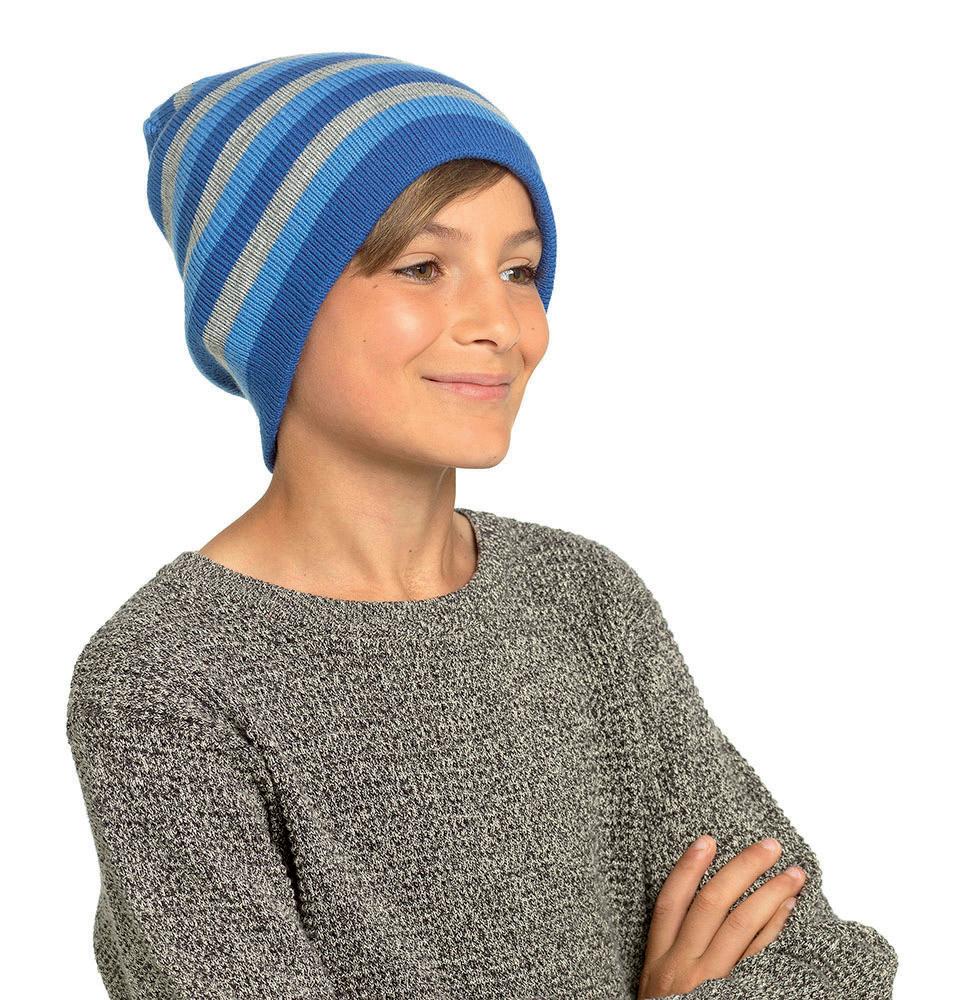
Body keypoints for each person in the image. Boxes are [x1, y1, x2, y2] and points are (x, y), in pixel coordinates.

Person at [65, 52, 898, 1000]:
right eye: (424, 268)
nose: (501, 323)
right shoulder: (166, 680)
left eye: (519, 270)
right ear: (271, 310)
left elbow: (814, 959)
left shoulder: (582, 598)